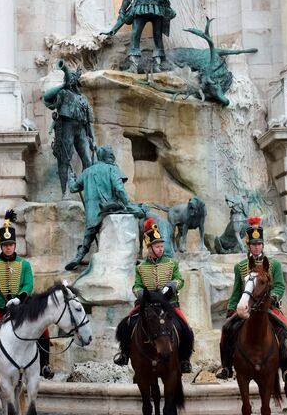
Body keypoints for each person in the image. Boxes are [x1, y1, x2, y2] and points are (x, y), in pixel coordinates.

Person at [0, 210, 54, 387]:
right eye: (5, 245)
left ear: (15, 245)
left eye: (11, 244)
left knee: (45, 330)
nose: (8, 247)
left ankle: (45, 365)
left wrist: (19, 299)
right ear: (0, 245)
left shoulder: (24, 265)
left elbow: (28, 285)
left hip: (20, 308)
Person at [216, 216, 287, 383]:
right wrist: (232, 308)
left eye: (259, 244)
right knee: (226, 329)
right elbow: (238, 290)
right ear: (249, 245)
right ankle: (226, 367)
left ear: (263, 245)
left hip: (268, 307)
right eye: (253, 244)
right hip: (246, 308)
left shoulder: (273, 265)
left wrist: (273, 298)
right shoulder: (240, 266)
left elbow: (280, 286)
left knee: (286, 332)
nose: (256, 247)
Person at [113, 217, 194, 373]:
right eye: (157, 246)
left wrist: (171, 286)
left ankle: (184, 359)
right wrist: (141, 294)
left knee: (186, 328)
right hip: (147, 305)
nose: (161, 249)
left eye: (162, 246)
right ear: (149, 248)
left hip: (169, 304)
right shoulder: (141, 267)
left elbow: (179, 279)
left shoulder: (172, 263)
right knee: (127, 324)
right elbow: (136, 285)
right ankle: (124, 354)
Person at [65, 146, 132, 270]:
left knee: (89, 234)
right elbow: (119, 189)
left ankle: (79, 256)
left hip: (93, 214)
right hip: (110, 209)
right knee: (129, 217)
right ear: (109, 156)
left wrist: (71, 179)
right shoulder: (112, 168)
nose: (113, 157)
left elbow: (73, 188)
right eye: (111, 155)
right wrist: (129, 205)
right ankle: (129, 255)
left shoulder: (87, 172)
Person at [42, 61, 95, 198]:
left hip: (81, 129)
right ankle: (65, 191)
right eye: (68, 78)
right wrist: (62, 85)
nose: (71, 80)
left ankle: (87, 190)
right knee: (64, 158)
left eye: (73, 78)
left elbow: (89, 122)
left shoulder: (83, 98)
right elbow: (46, 98)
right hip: (66, 126)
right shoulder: (63, 93)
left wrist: (92, 139)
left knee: (88, 161)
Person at [104, 0, 182, 72]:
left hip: (157, 7)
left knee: (158, 36)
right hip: (139, 7)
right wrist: (122, 10)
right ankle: (134, 64)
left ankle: (160, 62)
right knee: (135, 34)